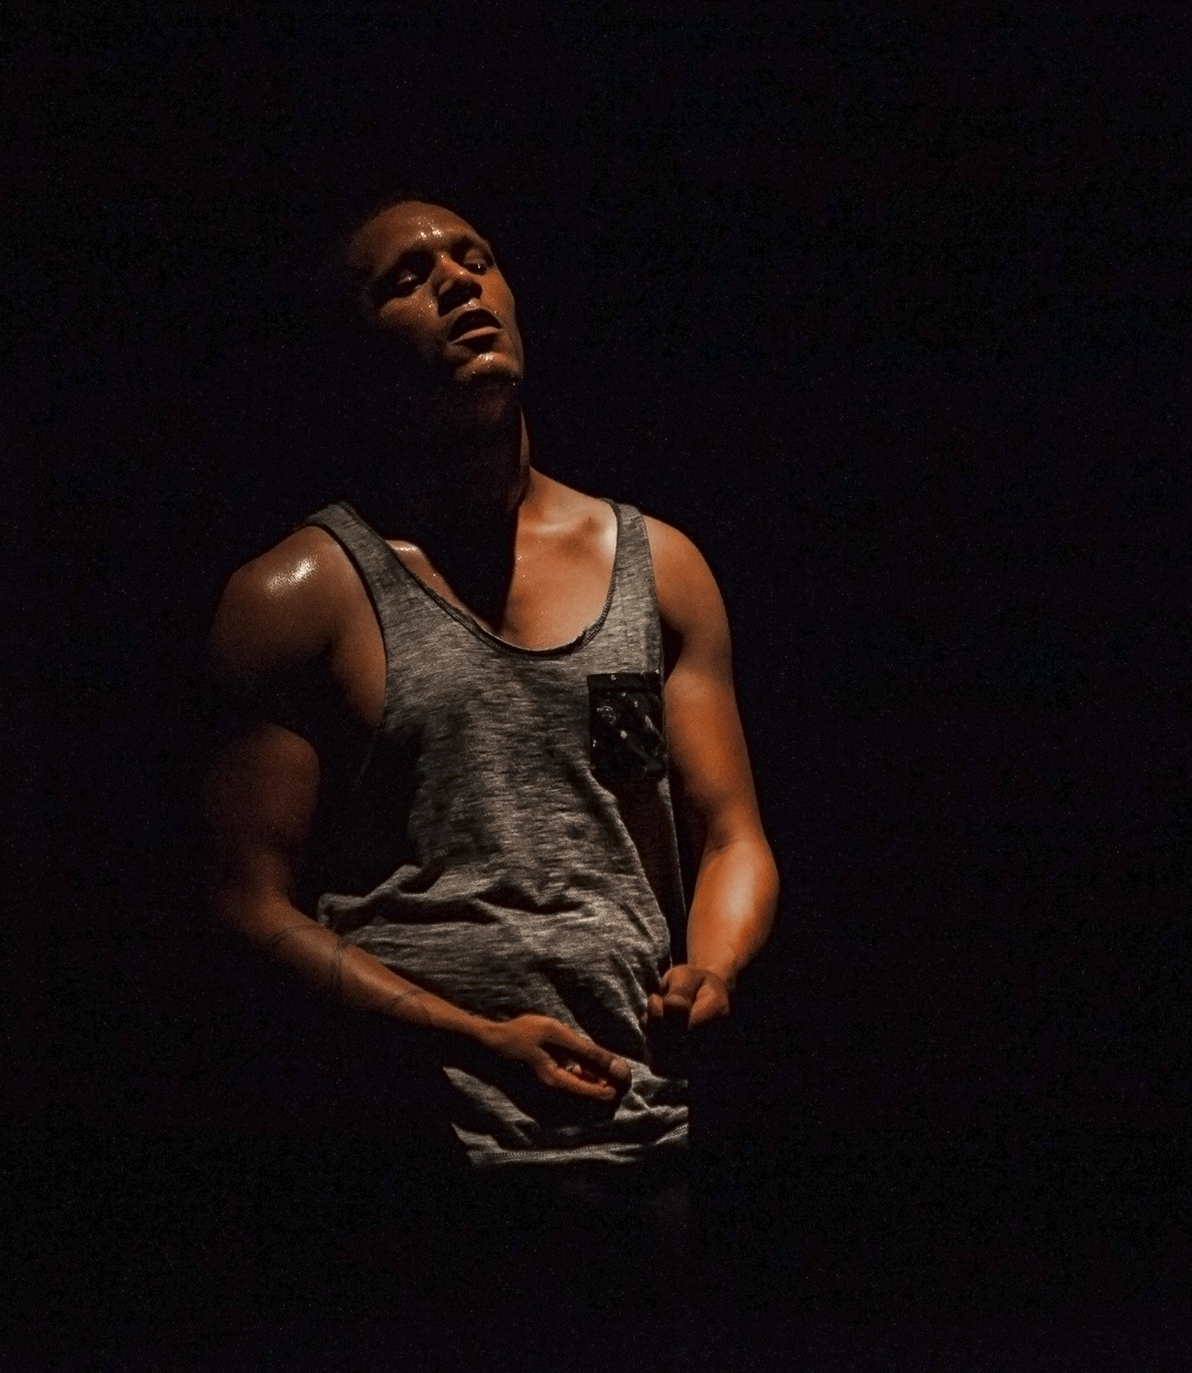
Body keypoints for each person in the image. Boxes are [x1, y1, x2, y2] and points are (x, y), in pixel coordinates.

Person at [203, 196, 780, 1364]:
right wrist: (468, 1035)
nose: (458, 283)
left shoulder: (658, 567)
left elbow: (731, 835)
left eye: (475, 259)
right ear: (353, 345)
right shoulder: (296, 595)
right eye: (406, 278)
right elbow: (238, 902)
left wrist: (712, 971)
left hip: (637, 1154)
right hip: (413, 1173)